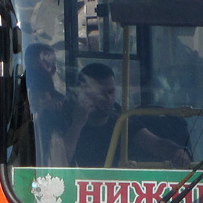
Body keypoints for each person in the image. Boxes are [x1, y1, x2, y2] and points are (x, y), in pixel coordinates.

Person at [59, 63, 190, 168]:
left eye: (111, 92)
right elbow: (57, 162)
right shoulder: (63, 116)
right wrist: (77, 124)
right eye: (101, 93)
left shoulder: (121, 119)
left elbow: (155, 144)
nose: (108, 98)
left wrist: (177, 152)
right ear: (83, 93)